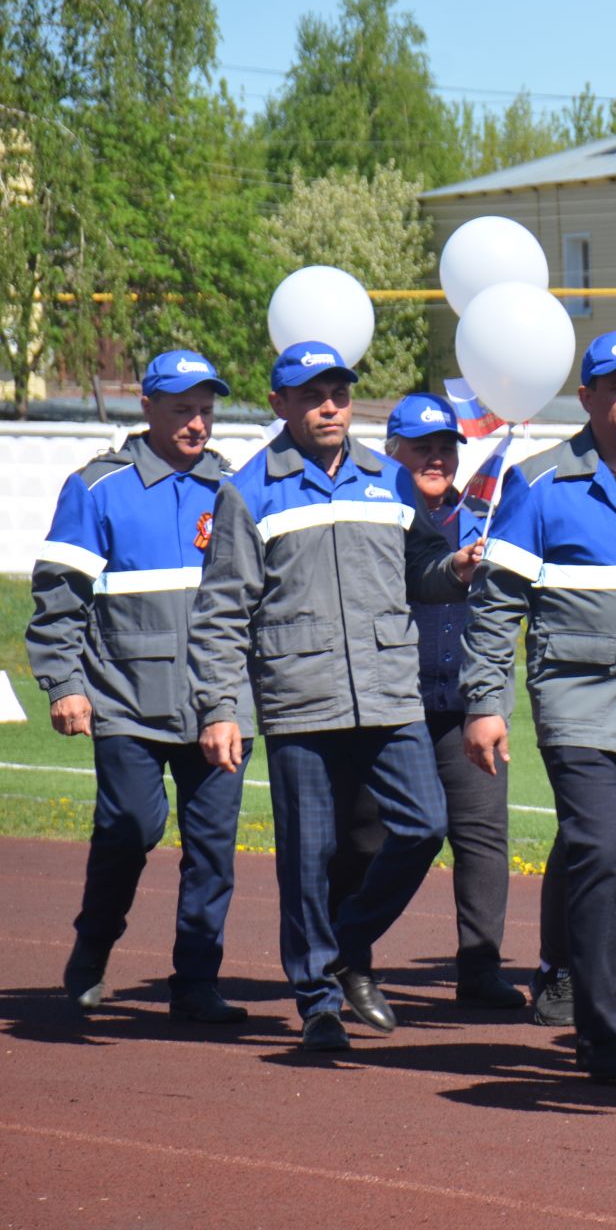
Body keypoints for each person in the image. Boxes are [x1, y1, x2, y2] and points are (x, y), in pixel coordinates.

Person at [189, 342, 478, 1052]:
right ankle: (318, 1000)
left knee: (423, 825)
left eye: (339, 394)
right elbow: (222, 610)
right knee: (307, 856)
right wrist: (221, 707)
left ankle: (344, 944)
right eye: (312, 395)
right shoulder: (248, 490)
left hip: (388, 692)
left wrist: (458, 568)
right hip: (300, 697)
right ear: (280, 404)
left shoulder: (390, 480)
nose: (329, 406)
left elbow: (421, 572)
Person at [461, 331, 616, 1081]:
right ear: (589, 399)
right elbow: (496, 603)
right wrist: (486, 703)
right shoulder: (541, 484)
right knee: (599, 855)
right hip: (578, 703)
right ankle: (599, 1028)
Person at [28, 350, 252, 1022]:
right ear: (146, 408)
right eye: (182, 409)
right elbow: (58, 597)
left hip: (218, 704)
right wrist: (64, 682)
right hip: (124, 701)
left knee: (212, 850)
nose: (196, 423)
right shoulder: (98, 489)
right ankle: (94, 945)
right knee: (131, 826)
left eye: (206, 410)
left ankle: (196, 984)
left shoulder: (232, 488)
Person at [381, 394, 522, 1010]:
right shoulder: (377, 515)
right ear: (394, 453)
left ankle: (480, 965)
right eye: (422, 448)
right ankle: (346, 957)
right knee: (368, 838)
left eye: (446, 448)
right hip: (392, 704)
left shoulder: (482, 517)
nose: (437, 458)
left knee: (484, 835)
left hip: (466, 705)